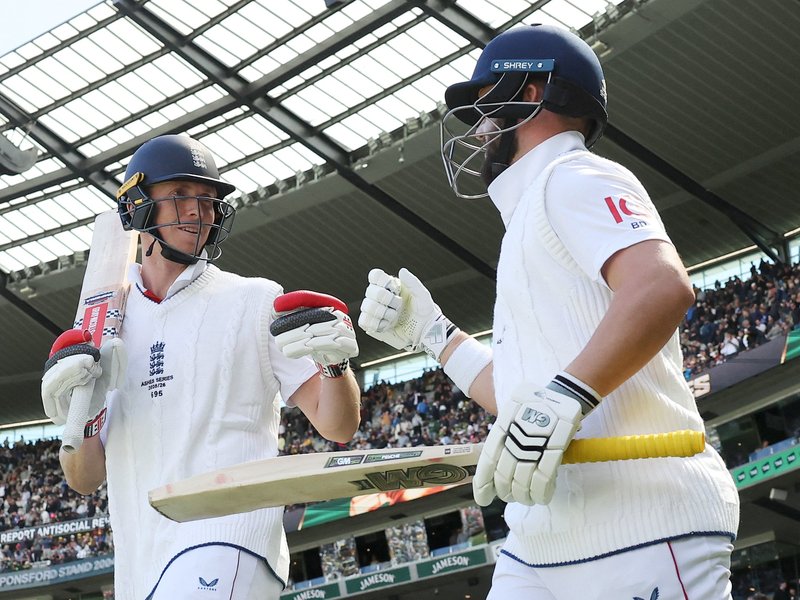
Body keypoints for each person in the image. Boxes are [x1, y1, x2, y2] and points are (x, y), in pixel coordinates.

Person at [358, 24, 739, 598]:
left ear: (531, 93)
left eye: (487, 108)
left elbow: (661, 287)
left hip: (644, 523)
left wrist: (568, 394)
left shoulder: (574, 175)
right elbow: (522, 398)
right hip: (538, 544)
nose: (481, 129)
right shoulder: (529, 219)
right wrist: (434, 334)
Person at [41, 134, 361, 599]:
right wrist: (79, 416)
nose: (200, 211)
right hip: (141, 562)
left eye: (209, 200)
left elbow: (339, 423)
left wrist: (334, 366)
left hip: (232, 537)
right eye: (181, 196)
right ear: (137, 206)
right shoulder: (101, 330)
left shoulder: (255, 299)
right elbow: (84, 478)